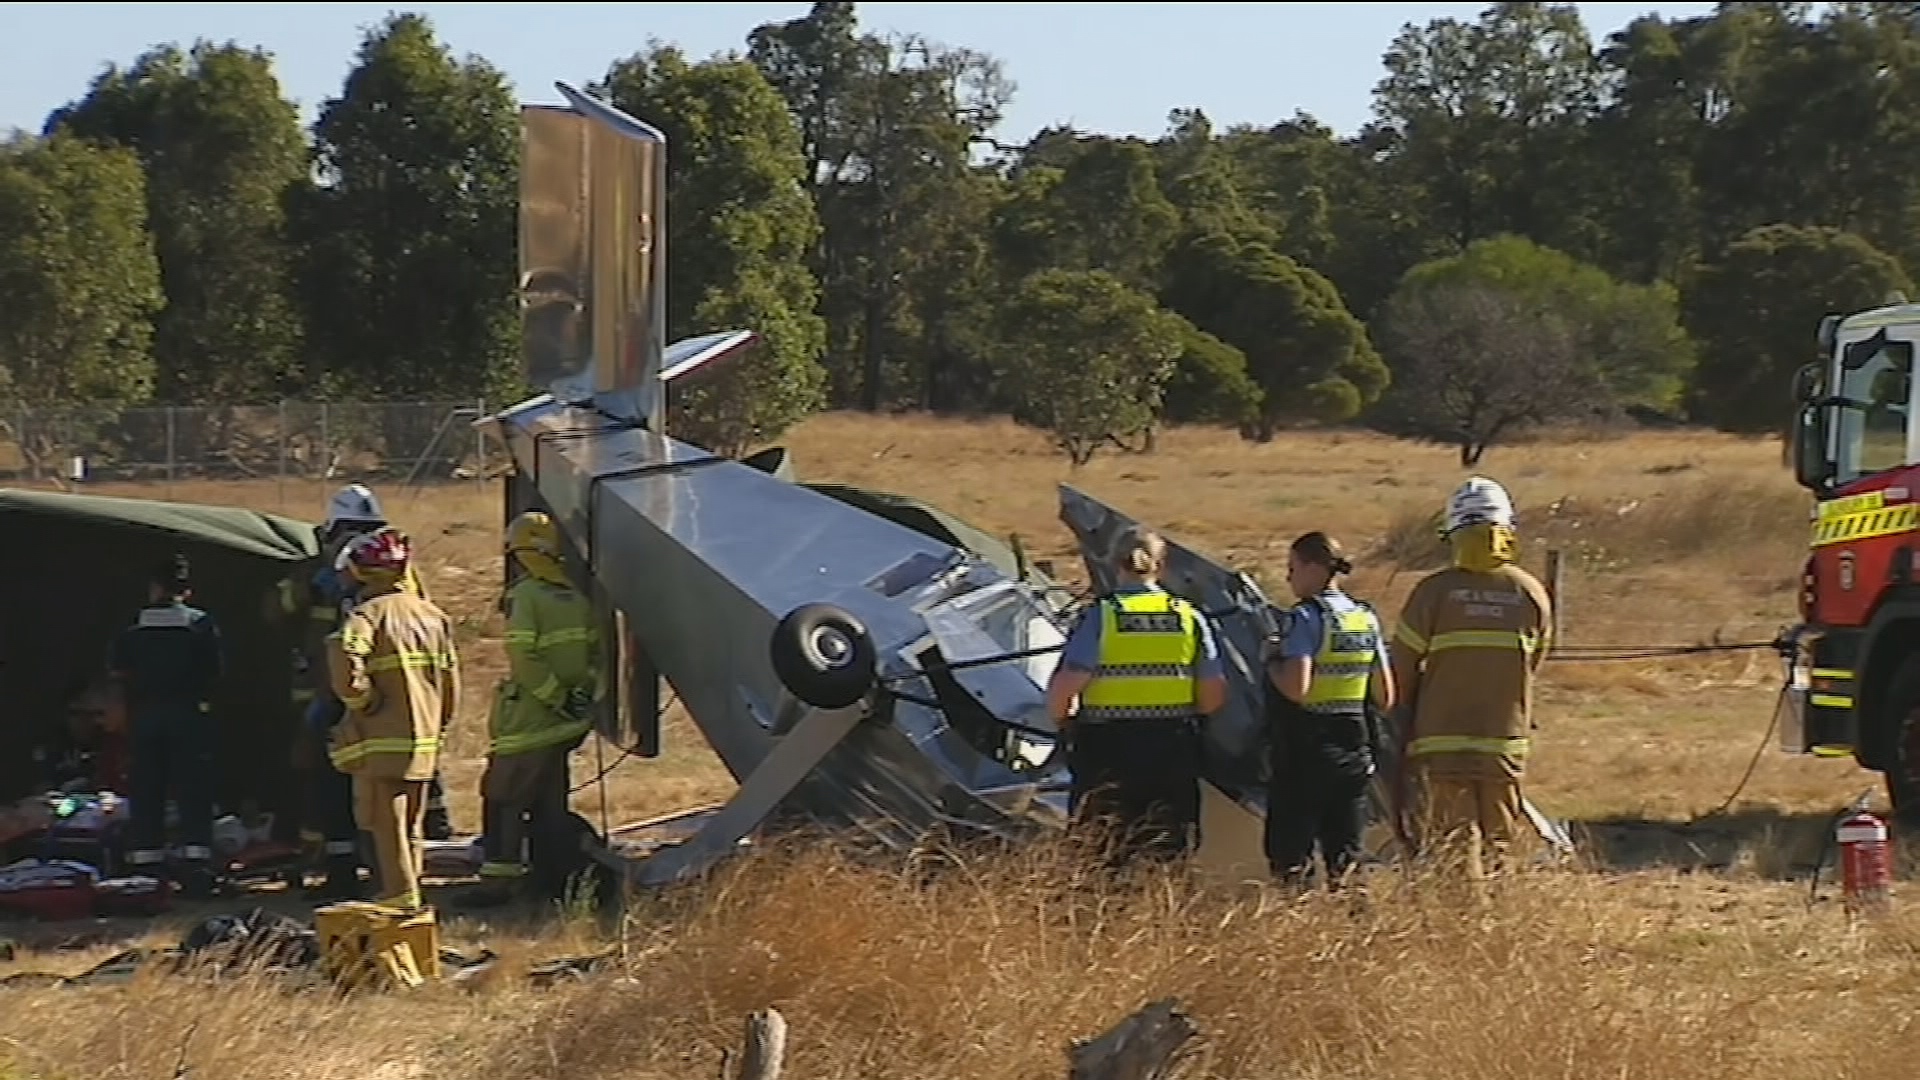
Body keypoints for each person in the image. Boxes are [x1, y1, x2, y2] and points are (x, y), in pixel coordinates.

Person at [1387, 476, 1554, 880]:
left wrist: (1401, 722)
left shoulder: (1433, 593)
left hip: (1440, 741)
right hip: (1503, 742)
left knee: (1452, 849)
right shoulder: (1531, 592)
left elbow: (1399, 674)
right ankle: (1501, 925)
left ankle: (1459, 925)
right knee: (1501, 845)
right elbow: (1532, 665)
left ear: (1453, 531)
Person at [1046, 526, 1228, 869]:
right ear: (1161, 565)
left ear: (1117, 564)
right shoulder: (1188, 617)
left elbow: (1066, 686)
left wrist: (1062, 720)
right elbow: (1214, 694)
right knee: (1167, 853)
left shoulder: (1103, 615)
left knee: (1101, 854)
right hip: (1172, 748)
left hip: (1107, 749)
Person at [463, 511, 601, 907]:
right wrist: (577, 697)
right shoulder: (576, 596)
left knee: (502, 798)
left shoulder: (527, 596)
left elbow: (523, 654)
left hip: (531, 720)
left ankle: (499, 884)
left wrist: (552, 695)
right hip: (565, 724)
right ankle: (552, 880)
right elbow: (595, 654)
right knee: (548, 803)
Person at [325, 528, 461, 912]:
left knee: (386, 825)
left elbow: (343, 655)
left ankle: (399, 904)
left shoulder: (367, 614)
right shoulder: (434, 616)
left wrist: (363, 700)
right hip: (424, 741)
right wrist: (439, 725)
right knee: (412, 825)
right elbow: (451, 682)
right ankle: (413, 897)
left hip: (381, 740)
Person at [1261, 532, 1395, 888]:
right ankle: (1357, 929)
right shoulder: (1365, 618)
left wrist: (1272, 661)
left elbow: (1297, 689)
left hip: (1307, 749)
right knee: (1346, 854)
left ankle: (1300, 927)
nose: (1289, 578)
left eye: (1293, 568)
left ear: (1313, 567)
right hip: (1354, 747)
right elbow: (1385, 695)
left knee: (1292, 853)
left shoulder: (1304, 618)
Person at [112, 554, 224, 900]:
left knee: (147, 792)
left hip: (146, 717)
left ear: (155, 587)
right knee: (194, 792)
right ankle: (197, 871)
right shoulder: (201, 625)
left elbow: (119, 673)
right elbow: (216, 672)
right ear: (186, 591)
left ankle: (146, 871)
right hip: (188, 715)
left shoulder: (133, 630)